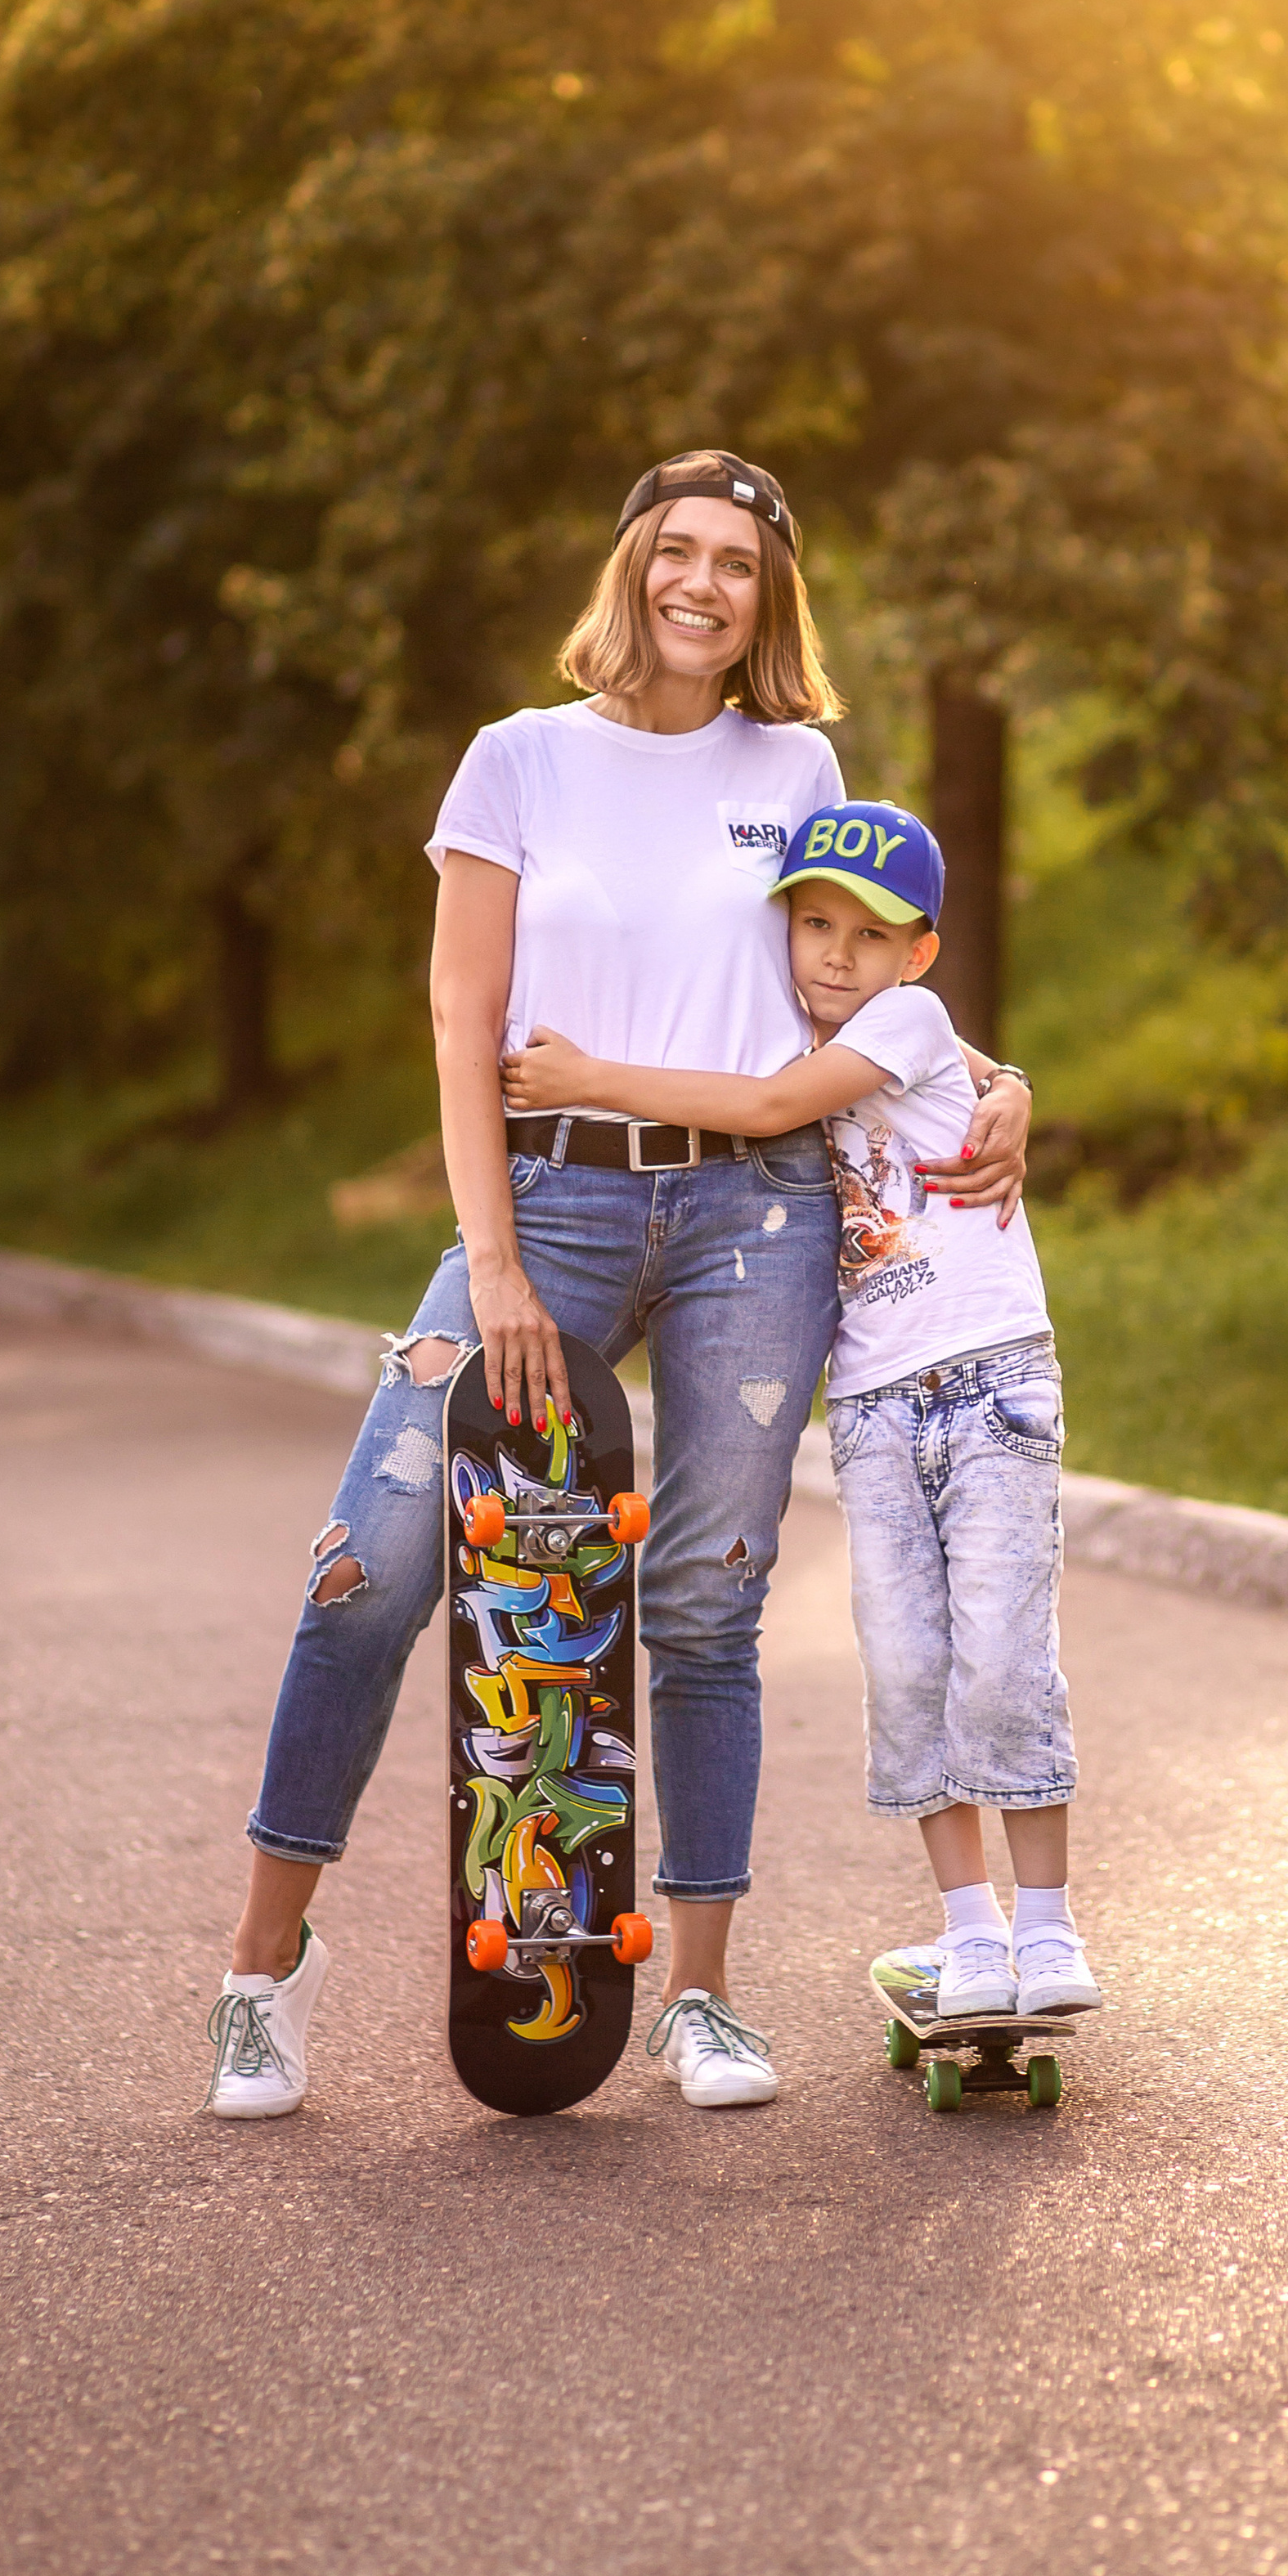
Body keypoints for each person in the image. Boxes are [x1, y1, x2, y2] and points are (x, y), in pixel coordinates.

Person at [202, 456, 1033, 2120]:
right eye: (680, 552)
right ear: (633, 567)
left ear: (763, 601)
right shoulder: (518, 761)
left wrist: (991, 1077)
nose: (704, 584)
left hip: (756, 1222)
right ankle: (258, 1969)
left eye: (738, 563)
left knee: (710, 1606)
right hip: (550, 1205)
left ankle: (699, 2000)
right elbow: (460, 1024)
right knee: (369, 1566)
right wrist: (493, 1261)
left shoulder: (792, 761)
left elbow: (845, 970)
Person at [500, 796, 1101, 2025]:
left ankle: (1048, 1928)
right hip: (874, 1405)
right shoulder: (794, 1021)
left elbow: (770, 1111)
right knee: (907, 1668)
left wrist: (586, 1080)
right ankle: (970, 1932)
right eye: (813, 922)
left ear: (917, 955)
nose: (835, 953)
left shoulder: (910, 1020)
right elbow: (761, 1084)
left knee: (999, 1661)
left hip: (988, 1386)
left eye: (869, 935)